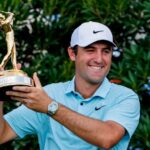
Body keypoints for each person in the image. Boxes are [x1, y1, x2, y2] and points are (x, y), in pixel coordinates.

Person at [0, 21, 140, 150]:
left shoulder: (125, 97)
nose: (99, 59)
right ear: (72, 54)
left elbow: (107, 137)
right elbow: (2, 134)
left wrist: (50, 107)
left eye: (106, 51)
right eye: (90, 50)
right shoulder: (49, 94)